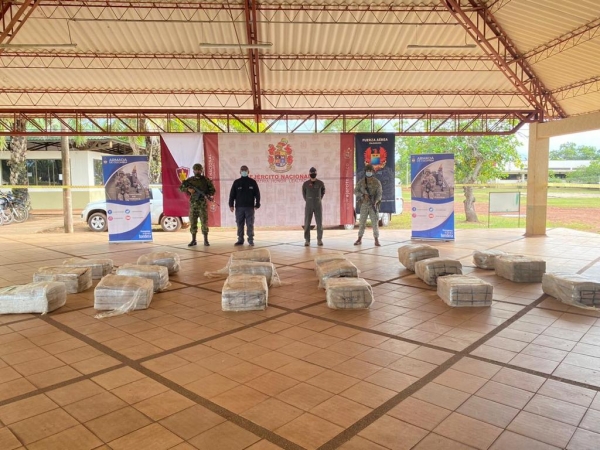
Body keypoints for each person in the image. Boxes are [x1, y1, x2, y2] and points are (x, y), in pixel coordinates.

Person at [179, 163, 215, 247]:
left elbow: (212, 190)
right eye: (196, 170)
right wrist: (188, 189)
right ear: (193, 170)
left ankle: (206, 240)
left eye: (199, 170)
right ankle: (193, 240)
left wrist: (207, 194)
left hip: (202, 205)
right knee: (193, 222)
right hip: (193, 205)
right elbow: (181, 188)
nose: (197, 171)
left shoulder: (206, 180)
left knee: (204, 223)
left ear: (201, 170)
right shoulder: (190, 180)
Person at [229, 165, 260, 246]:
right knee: (240, 223)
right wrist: (231, 205)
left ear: (248, 172)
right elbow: (232, 195)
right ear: (240, 172)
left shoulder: (252, 182)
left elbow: (257, 194)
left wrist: (257, 204)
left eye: (245, 170)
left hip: (249, 207)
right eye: (242, 170)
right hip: (239, 207)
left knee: (250, 223)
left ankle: (250, 239)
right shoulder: (236, 182)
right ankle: (240, 240)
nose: (244, 171)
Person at [354, 163, 382, 246]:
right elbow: (355, 191)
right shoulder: (361, 182)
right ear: (365, 171)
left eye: (370, 171)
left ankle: (376, 240)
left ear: (373, 172)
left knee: (374, 223)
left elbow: (379, 193)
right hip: (364, 204)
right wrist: (363, 195)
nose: (368, 172)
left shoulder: (377, 182)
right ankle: (359, 239)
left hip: (373, 204)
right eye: (367, 171)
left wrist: (376, 201)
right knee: (362, 222)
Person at [302, 167, 326, 246]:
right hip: (309, 205)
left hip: (318, 205)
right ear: (309, 174)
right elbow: (304, 194)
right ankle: (307, 240)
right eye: (311, 173)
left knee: (319, 223)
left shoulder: (320, 183)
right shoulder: (305, 184)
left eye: (314, 173)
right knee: (307, 223)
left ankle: (319, 240)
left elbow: (323, 192)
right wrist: (308, 200)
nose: (313, 174)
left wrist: (319, 199)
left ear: (316, 173)